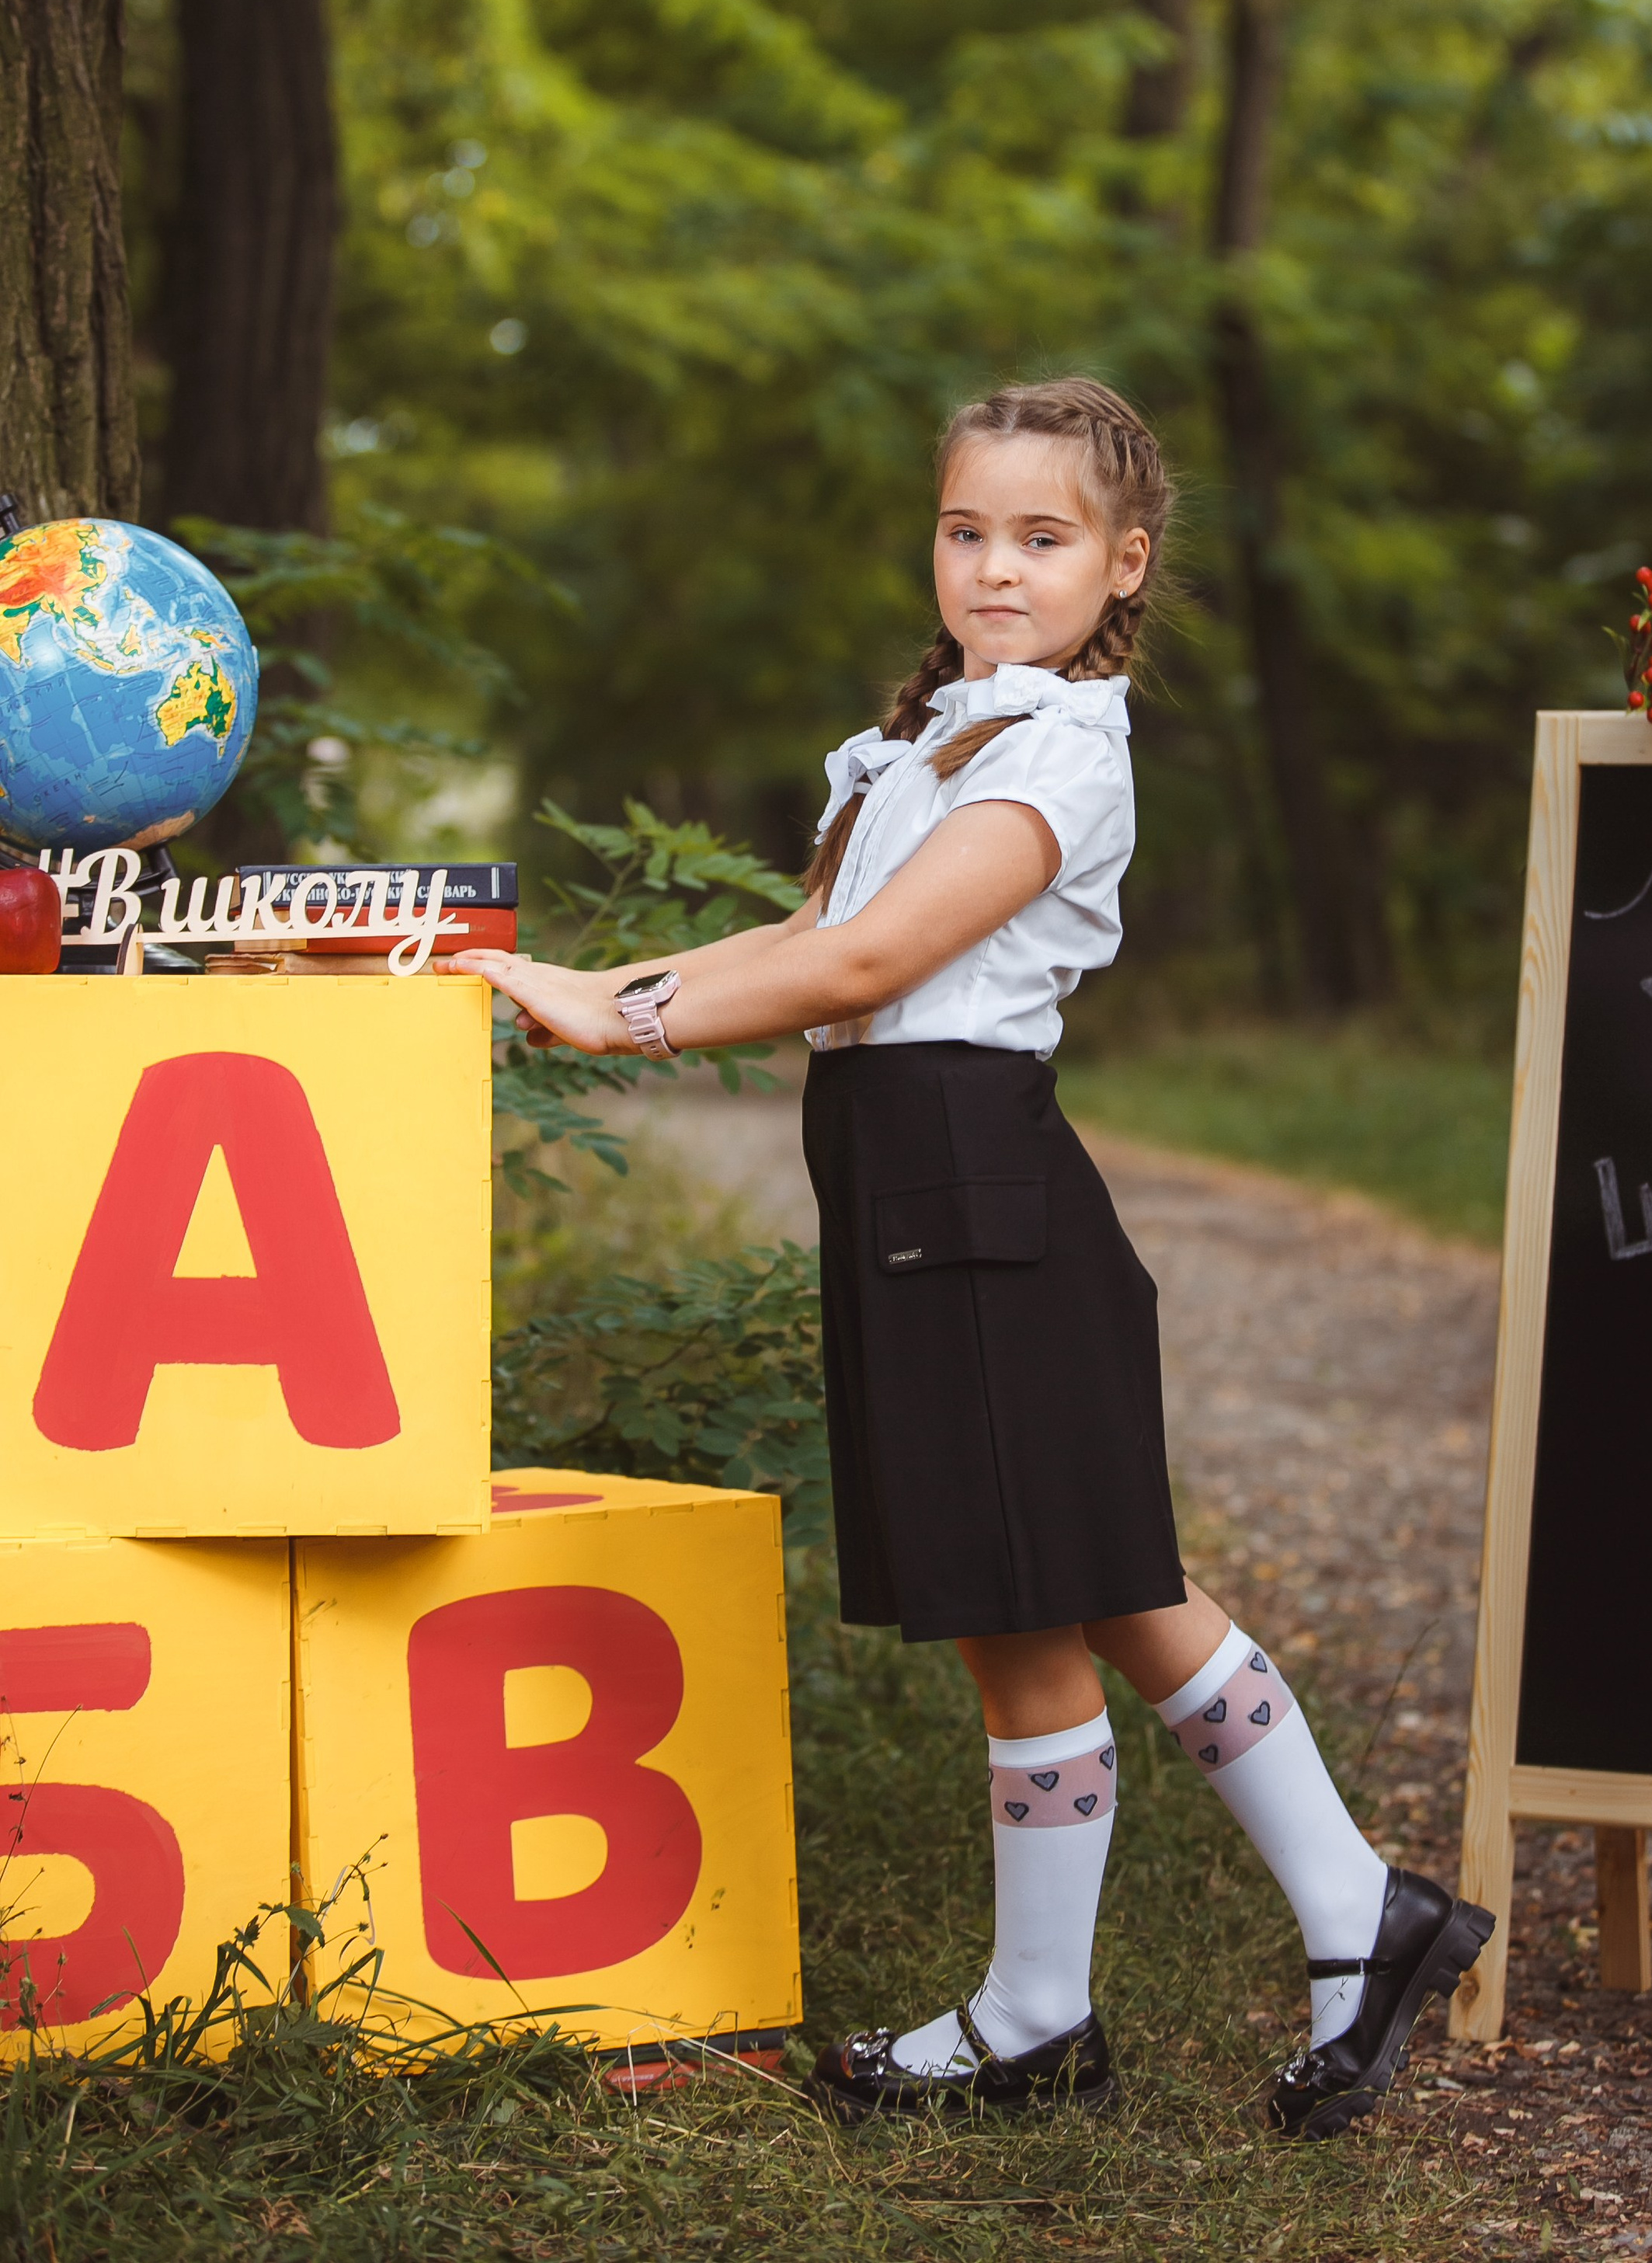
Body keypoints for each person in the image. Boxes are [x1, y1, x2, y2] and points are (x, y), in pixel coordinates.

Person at [450, 376, 1491, 2137]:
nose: (994, 566)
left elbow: (861, 976)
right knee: (1073, 1597)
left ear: (1120, 563)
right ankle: (1297, 1932)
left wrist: (612, 1022)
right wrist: (592, 981)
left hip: (978, 1202)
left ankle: (1107, 1993)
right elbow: (805, 936)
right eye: (964, 530)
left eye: (1041, 535)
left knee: (1058, 1605)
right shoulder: (931, 739)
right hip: (913, 1197)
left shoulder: (1060, 747)